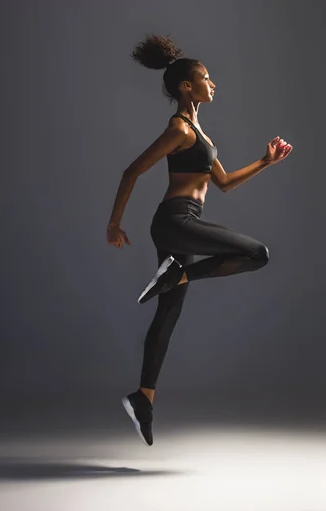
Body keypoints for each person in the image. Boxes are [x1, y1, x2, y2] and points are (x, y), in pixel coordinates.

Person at [106, 34, 293, 446]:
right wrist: (113, 224)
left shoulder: (198, 131)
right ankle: (177, 276)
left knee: (168, 315)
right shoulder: (179, 129)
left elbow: (222, 184)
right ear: (185, 87)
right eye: (205, 78)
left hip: (184, 222)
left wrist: (265, 161)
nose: (213, 83)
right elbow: (131, 172)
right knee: (256, 253)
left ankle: (143, 399)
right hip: (174, 221)